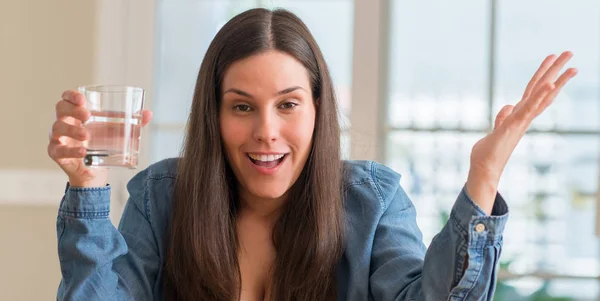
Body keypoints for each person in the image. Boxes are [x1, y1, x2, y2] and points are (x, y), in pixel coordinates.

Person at [47, 8, 577, 301]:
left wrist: (484, 175)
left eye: (289, 104)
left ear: (318, 110)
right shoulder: (163, 197)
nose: (266, 132)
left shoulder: (371, 201)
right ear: (213, 114)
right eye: (241, 107)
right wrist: (89, 188)